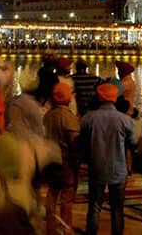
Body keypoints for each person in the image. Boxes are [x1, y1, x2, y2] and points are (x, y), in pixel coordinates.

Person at [79, 82, 136, 235]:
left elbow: (82, 143)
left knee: (95, 207)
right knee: (117, 210)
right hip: (118, 169)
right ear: (115, 98)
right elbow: (133, 143)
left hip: (96, 168)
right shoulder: (125, 120)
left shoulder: (88, 118)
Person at [43, 82, 79, 235]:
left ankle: (50, 226)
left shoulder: (48, 115)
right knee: (66, 196)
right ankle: (65, 227)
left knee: (52, 193)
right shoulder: (67, 116)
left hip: (50, 159)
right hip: (65, 161)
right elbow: (74, 141)